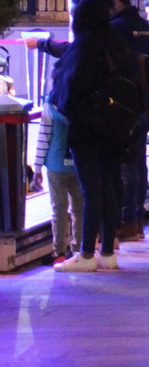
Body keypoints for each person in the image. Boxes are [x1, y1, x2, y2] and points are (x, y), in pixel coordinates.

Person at [51, 0, 141, 272]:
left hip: (87, 128)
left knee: (91, 191)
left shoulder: (83, 46)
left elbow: (65, 92)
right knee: (111, 187)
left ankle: (86, 254)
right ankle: (108, 253)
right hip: (116, 127)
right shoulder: (117, 44)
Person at [101, 0, 149, 243]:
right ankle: (136, 220)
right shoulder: (145, 27)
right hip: (147, 100)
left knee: (126, 163)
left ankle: (125, 221)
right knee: (139, 159)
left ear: (114, 2)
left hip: (126, 103)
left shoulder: (117, 29)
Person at [32, 93, 84, 264]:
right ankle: (79, 250)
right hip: (78, 164)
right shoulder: (81, 100)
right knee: (80, 209)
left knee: (59, 210)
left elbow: (44, 137)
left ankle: (59, 252)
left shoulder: (50, 105)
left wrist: (37, 168)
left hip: (56, 166)